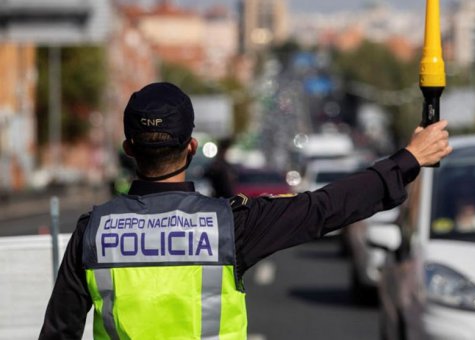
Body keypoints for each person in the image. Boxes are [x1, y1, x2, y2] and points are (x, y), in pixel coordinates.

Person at [39, 82, 452, 340]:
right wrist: (408, 159)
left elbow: (59, 332)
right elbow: (326, 208)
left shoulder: (93, 232)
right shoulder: (229, 224)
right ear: (191, 147)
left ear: (129, 150)